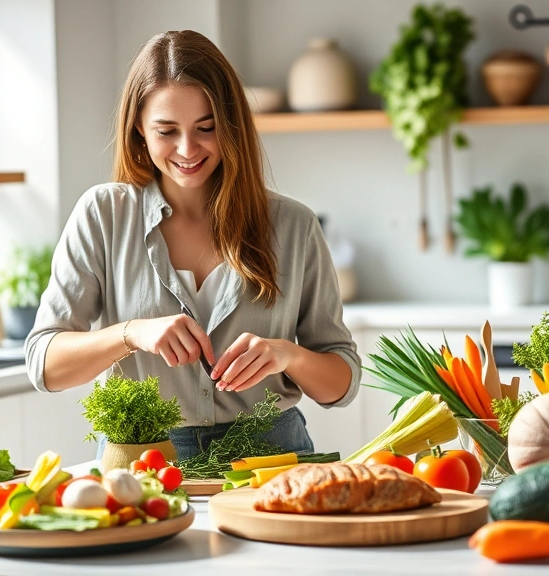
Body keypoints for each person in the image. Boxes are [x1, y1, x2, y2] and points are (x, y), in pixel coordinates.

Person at [25, 30, 360, 461]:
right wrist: (132, 333)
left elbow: (342, 382)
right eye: (167, 131)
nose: (187, 149)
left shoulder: (293, 225)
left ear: (232, 126)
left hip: (269, 459)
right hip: (145, 463)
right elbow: (44, 363)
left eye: (207, 127)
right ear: (138, 132)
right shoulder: (103, 215)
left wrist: (286, 355)